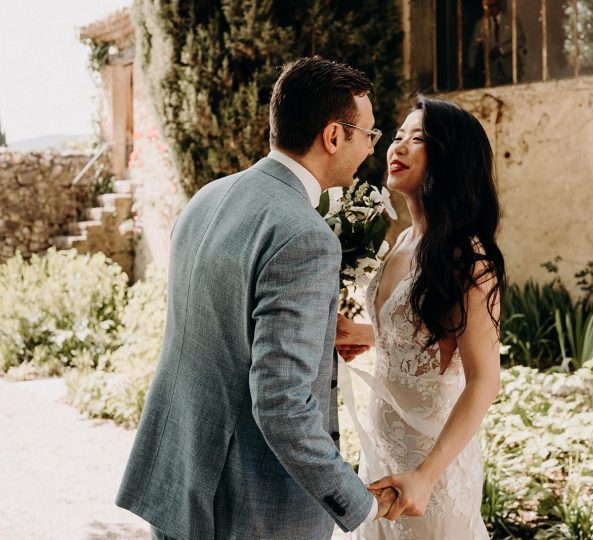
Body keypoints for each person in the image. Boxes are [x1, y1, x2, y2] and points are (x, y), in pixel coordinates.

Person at [115, 57, 397, 540]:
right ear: (333, 135)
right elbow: (281, 403)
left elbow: (219, 325)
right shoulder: (304, 236)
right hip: (250, 507)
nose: (371, 149)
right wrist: (357, 502)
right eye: (368, 135)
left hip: (179, 475)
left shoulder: (208, 196)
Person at [338, 95, 505, 539]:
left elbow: (484, 380)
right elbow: (424, 326)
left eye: (419, 139)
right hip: (381, 452)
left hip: (434, 469)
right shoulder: (404, 241)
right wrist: (366, 334)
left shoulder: (469, 259)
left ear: (450, 158)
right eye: (397, 137)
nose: (398, 147)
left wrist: (427, 475)